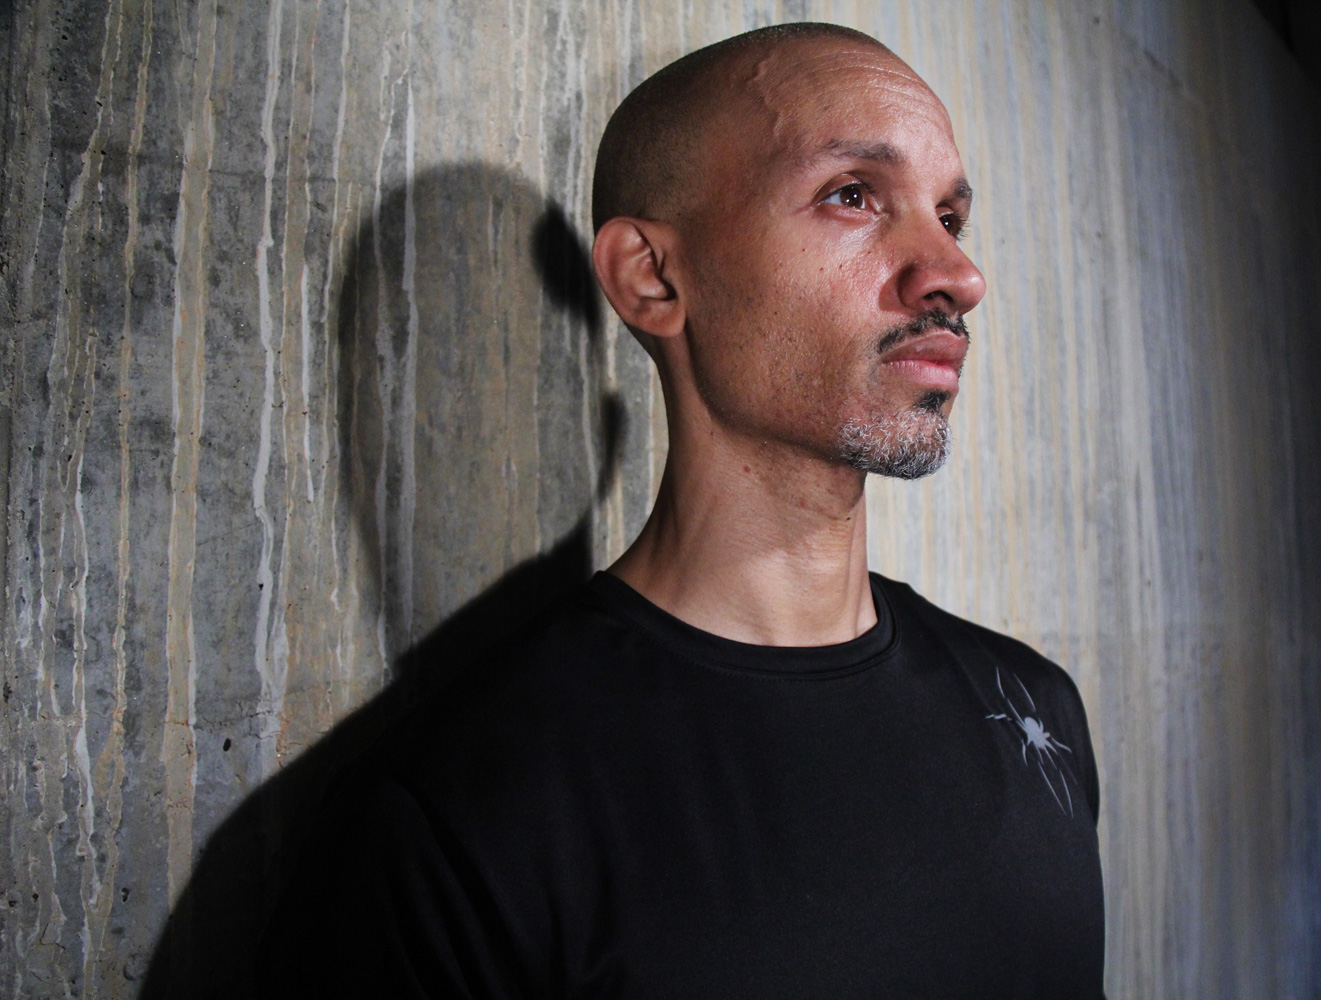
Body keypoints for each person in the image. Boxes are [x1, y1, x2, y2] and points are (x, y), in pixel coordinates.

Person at [258, 22, 1104, 999]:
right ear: (653, 278)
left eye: (950, 216)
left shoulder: (1035, 709)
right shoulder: (460, 812)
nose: (958, 275)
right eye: (853, 194)